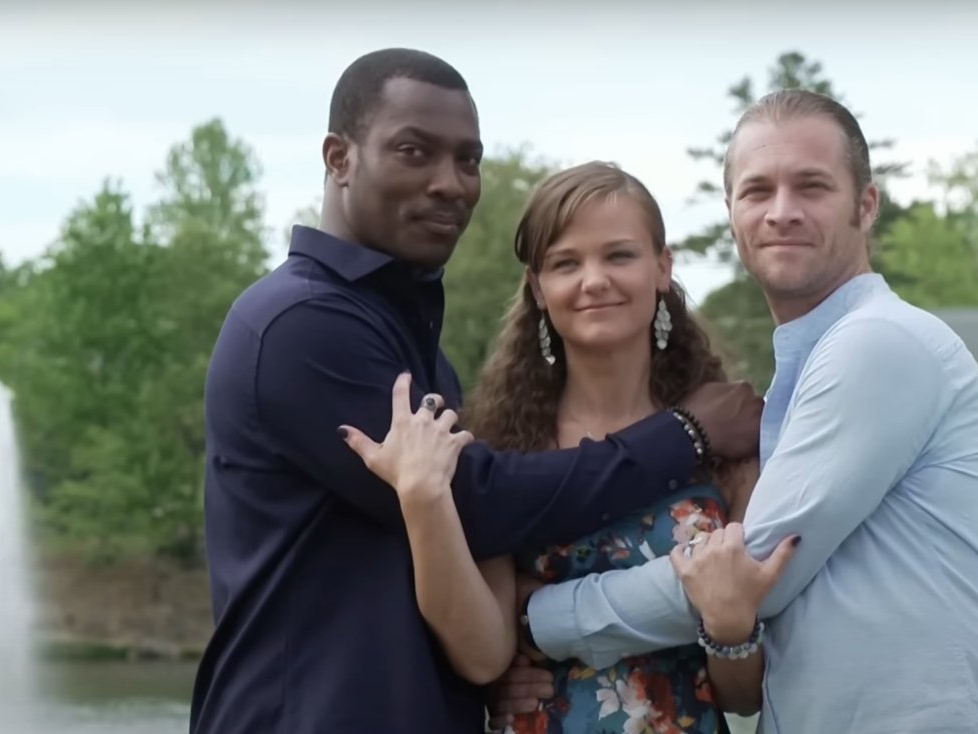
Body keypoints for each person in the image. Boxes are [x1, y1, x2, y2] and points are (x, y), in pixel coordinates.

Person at [188, 49, 762, 734]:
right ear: (339, 158)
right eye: (414, 151)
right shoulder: (299, 326)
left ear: (663, 270)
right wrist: (683, 434)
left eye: (468, 160)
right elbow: (475, 502)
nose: (449, 183)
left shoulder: (409, 345)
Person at [489, 89, 978, 733]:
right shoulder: (806, 371)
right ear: (732, 215)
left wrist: (537, 619)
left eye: (811, 187)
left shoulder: (878, 344)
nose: (782, 212)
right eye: (757, 192)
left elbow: (752, 569)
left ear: (866, 206)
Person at [340, 161, 799, 734]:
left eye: (619, 255)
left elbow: (742, 692)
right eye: (565, 263)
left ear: (662, 267)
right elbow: (483, 654)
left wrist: (730, 626)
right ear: (537, 287)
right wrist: (423, 495)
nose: (594, 280)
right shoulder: (502, 450)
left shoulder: (731, 443)